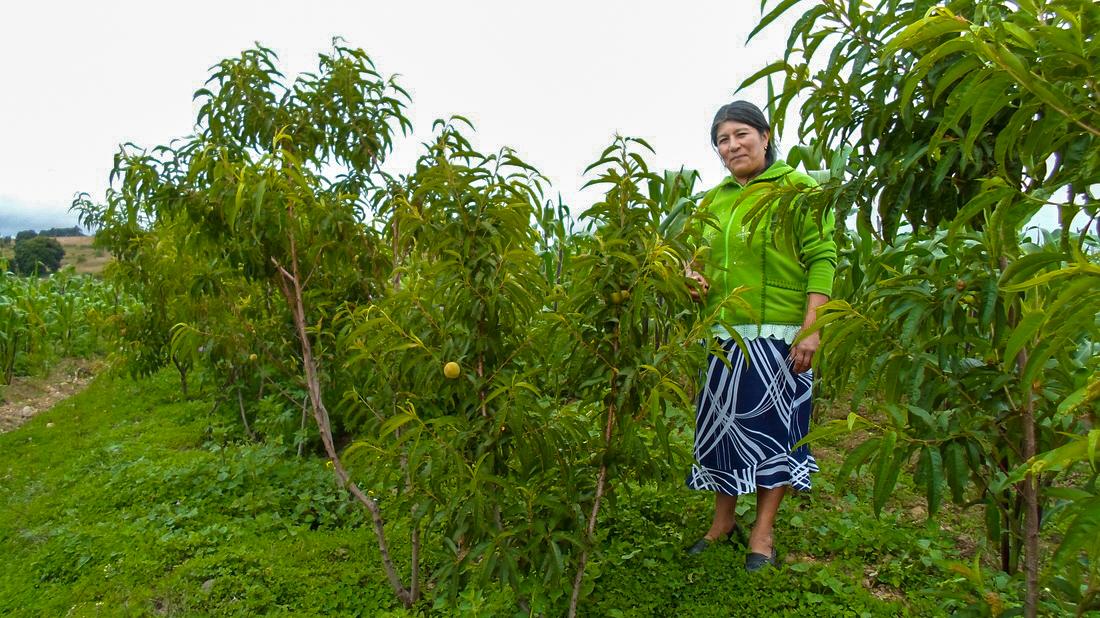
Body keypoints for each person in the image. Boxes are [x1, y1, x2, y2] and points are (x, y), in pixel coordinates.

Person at [684, 100, 836, 572]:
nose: (732, 146)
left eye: (740, 135)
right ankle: (722, 522)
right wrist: (692, 275)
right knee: (723, 431)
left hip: (780, 336)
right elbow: (698, 257)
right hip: (724, 335)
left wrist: (812, 328)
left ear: (765, 136)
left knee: (775, 436)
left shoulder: (798, 190)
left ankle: (762, 533)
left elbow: (822, 257)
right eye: (722, 140)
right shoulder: (714, 200)